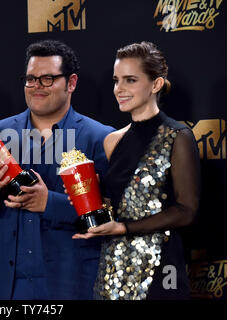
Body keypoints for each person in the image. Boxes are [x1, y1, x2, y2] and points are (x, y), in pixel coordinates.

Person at [0, 39, 115, 299]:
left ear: (72, 82)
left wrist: (49, 203)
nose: (36, 87)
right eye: (31, 79)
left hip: (70, 285)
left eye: (47, 79)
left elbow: (113, 216)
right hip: (4, 288)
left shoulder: (101, 138)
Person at [71, 42, 200, 300]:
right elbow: (115, 206)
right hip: (114, 269)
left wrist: (124, 228)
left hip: (161, 270)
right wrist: (88, 194)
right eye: (116, 80)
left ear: (156, 84)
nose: (119, 89)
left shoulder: (178, 136)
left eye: (130, 80)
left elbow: (186, 210)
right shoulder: (112, 140)